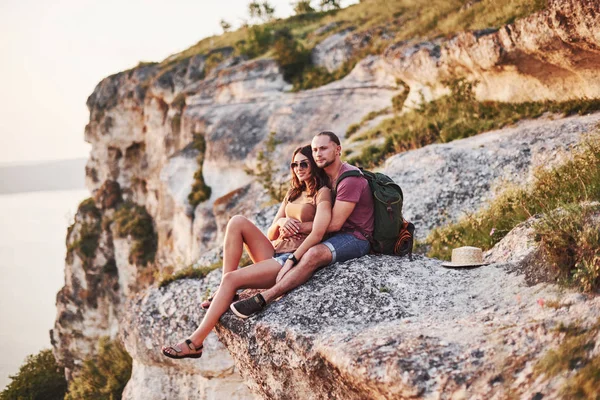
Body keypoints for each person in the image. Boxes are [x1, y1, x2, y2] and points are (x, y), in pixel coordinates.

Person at [161, 145, 332, 359]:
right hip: (275, 250)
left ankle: (195, 342)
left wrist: (298, 227)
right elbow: (271, 233)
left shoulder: (322, 192)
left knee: (233, 278)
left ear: (314, 164)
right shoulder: (293, 192)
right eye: (294, 164)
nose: (298, 168)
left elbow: (323, 228)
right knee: (236, 222)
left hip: (291, 259)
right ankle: (227, 289)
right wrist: (282, 222)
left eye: (304, 163)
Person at [230, 131, 374, 318]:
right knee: (308, 250)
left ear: (338, 150)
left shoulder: (350, 179)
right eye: (315, 150)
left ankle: (266, 297)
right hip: (333, 236)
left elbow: (334, 225)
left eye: (323, 148)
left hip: (356, 237)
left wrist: (294, 231)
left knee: (313, 254)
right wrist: (285, 223)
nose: (318, 154)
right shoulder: (325, 177)